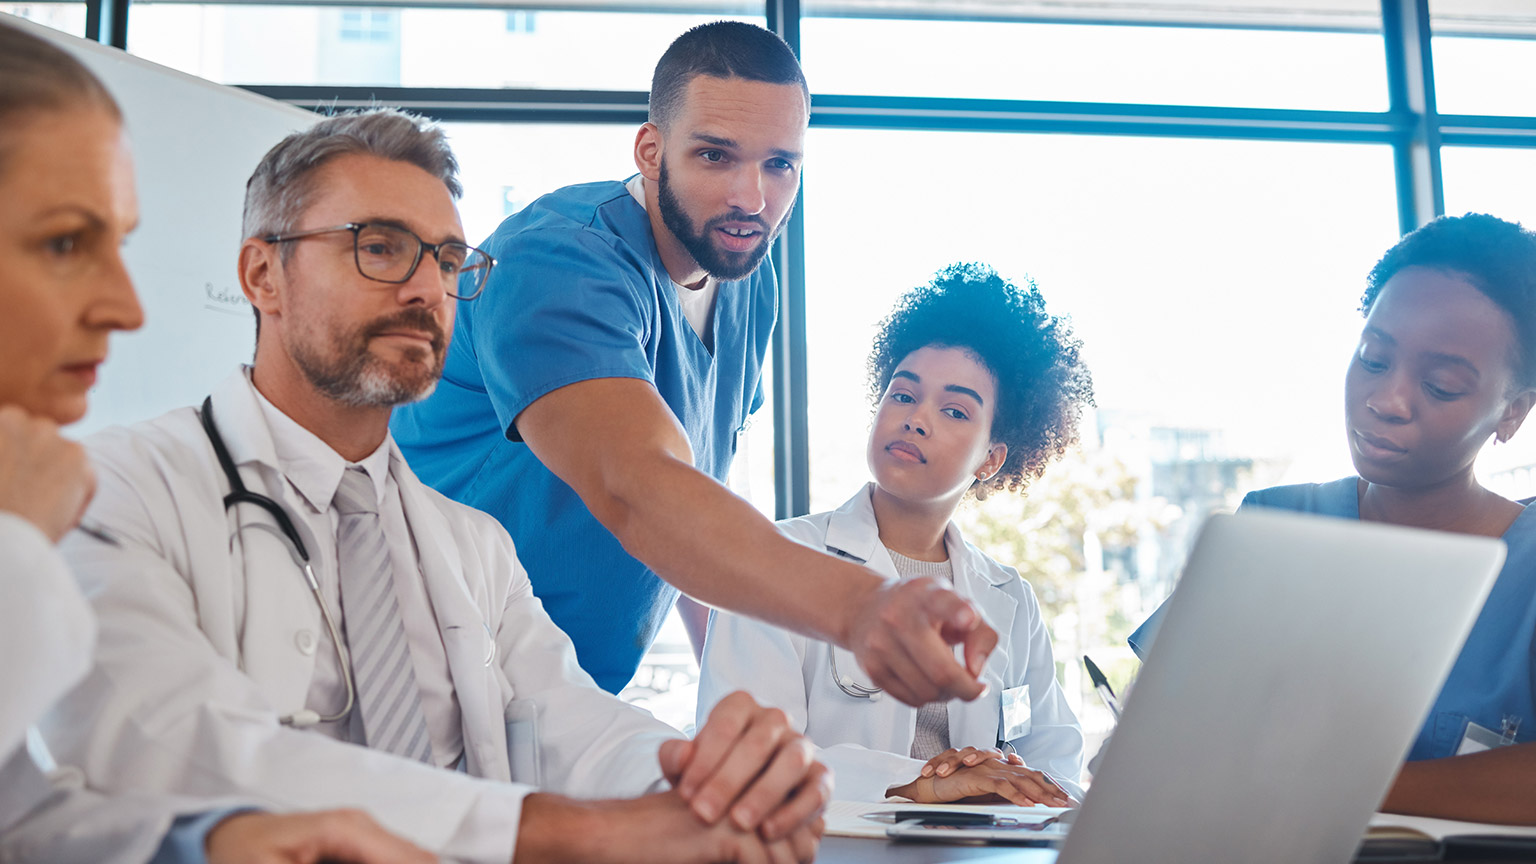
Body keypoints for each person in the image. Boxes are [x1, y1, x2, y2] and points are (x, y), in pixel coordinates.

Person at [45, 107, 828, 863]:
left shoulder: (472, 545)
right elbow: (174, 748)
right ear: (263, 274)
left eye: (448, 260)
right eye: (380, 248)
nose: (427, 289)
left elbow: (578, 729)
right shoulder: (119, 492)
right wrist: (583, 837)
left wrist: (706, 781)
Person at [391, 21, 997, 709]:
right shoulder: (557, 262)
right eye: (715, 157)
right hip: (434, 676)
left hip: (568, 698)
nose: (752, 198)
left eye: (780, 165)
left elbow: (698, 490)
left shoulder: (744, 276)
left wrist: (748, 691)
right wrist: (859, 608)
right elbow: (639, 483)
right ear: (652, 151)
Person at [0, 20, 434, 864]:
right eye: (63, 242)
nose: (127, 309)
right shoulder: (99, 491)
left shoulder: (465, 539)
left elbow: (18, 815)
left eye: (117, 245)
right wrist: (16, 545)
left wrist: (218, 841)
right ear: (260, 277)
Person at [1129, 213, 1536, 826]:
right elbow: (1161, 746)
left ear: (1513, 413)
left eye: (1442, 385)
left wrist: (1324, 785)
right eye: (1374, 359)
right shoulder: (1273, 527)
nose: (1386, 400)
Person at [697, 264, 1092, 805]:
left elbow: (1059, 764)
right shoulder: (776, 558)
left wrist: (1011, 776)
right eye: (903, 395)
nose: (916, 419)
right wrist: (919, 783)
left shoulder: (1010, 599)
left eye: (954, 410)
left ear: (992, 459)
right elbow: (744, 759)